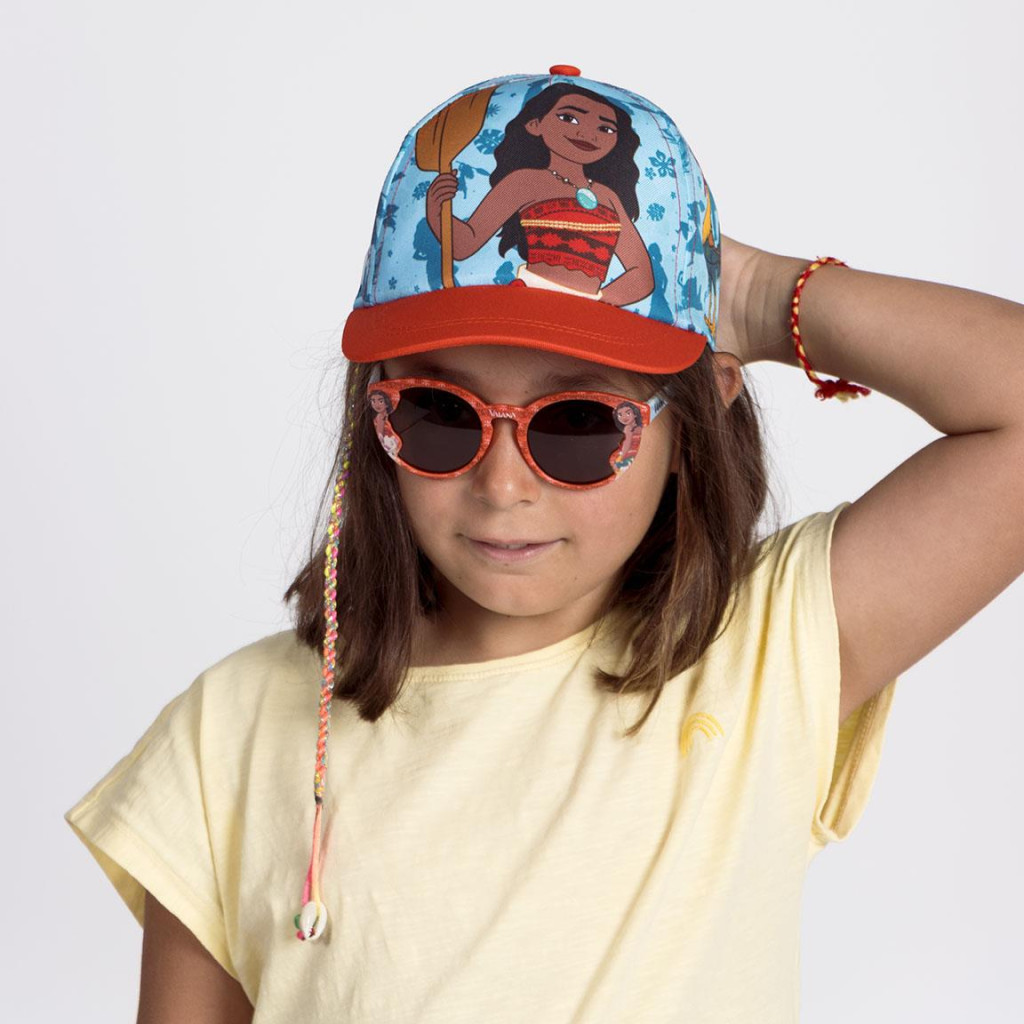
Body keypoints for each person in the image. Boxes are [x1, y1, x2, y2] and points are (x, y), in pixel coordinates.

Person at [64, 66, 1024, 1023]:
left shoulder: (760, 657)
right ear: (375, 414)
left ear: (696, 420)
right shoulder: (230, 731)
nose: (503, 485)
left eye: (578, 424)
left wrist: (755, 292)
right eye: (440, 413)